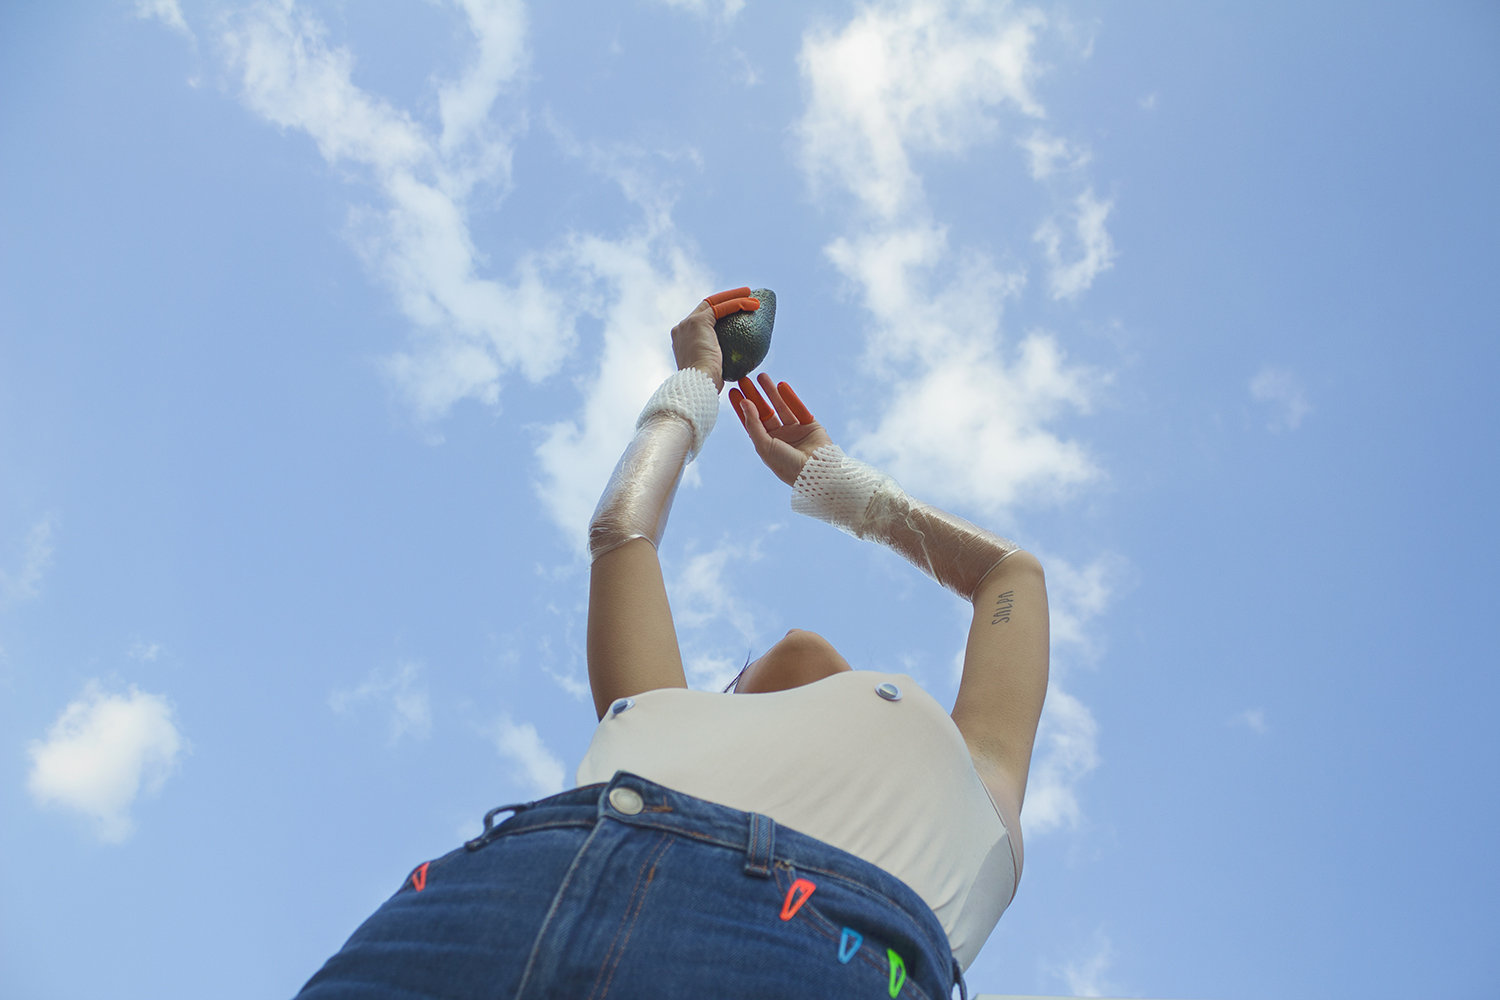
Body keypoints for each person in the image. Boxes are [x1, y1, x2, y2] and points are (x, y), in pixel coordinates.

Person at [294, 289, 1049, 1000]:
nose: (791, 644)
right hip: (509, 899)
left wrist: (840, 485)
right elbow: (619, 530)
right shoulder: (654, 715)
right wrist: (695, 380)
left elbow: (1008, 573)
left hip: (798, 947)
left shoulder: (978, 784)